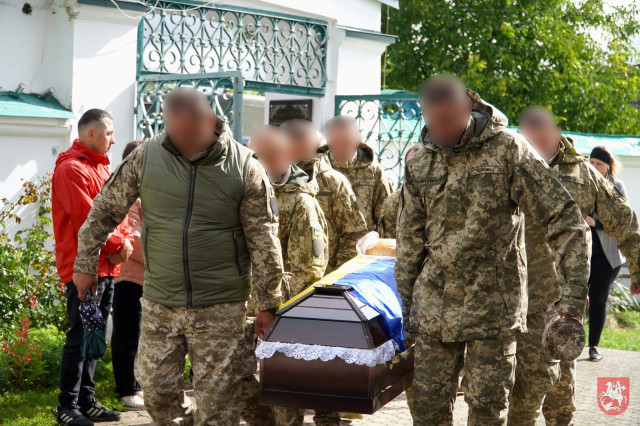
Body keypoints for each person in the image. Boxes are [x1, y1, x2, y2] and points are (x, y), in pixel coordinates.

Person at [72, 88, 285, 425]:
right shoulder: (147, 157)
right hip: (161, 300)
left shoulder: (245, 167)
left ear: (209, 120)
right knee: (157, 397)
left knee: (218, 409)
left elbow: (264, 240)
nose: (181, 140)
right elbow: (104, 210)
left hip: (220, 305)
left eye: (189, 132)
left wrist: (269, 303)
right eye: (174, 131)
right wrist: (85, 263)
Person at [396, 75, 591, 426]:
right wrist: (407, 313)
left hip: (493, 312)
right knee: (426, 412)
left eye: (447, 120)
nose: (439, 129)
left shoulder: (508, 149)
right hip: (434, 310)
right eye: (431, 120)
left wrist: (573, 297)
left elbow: (564, 217)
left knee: (487, 411)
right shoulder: (420, 163)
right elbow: (409, 242)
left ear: (466, 109)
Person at [514, 107, 640, 425]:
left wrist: (637, 267)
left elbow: (623, 220)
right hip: (516, 297)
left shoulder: (583, 173)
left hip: (564, 300)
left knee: (561, 391)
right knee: (526, 392)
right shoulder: (512, 165)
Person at [242, 125, 331, 426]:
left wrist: (266, 302)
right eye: (257, 157)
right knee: (234, 378)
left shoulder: (301, 203)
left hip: (284, 314)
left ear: (287, 157)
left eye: (271, 157)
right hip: (242, 310)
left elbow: (309, 271)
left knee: (284, 396)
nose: (262, 164)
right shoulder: (243, 193)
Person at [52, 109, 132, 426]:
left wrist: (122, 243)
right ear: (91, 133)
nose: (113, 140)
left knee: (94, 336)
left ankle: (86, 400)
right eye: (109, 133)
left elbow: (118, 215)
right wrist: (120, 245)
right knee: (80, 335)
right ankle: (66, 406)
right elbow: (87, 219)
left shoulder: (100, 168)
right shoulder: (71, 169)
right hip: (84, 270)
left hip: (106, 268)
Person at [286, 119, 368, 272]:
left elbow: (354, 236)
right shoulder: (269, 178)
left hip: (325, 277)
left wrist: (337, 275)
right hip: (280, 281)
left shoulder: (332, 181)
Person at [586, 146, 639, 360]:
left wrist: (596, 223)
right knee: (576, 299)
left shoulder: (617, 186)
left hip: (609, 255)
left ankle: (594, 347)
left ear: (608, 166)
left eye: (599, 164)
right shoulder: (581, 183)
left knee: (598, 299)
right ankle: (571, 345)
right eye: (591, 162)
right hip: (583, 252)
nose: (594, 166)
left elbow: (623, 221)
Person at [111, 140, 146, 411]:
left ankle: (137, 385)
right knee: (127, 335)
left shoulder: (143, 191)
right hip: (128, 276)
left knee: (139, 335)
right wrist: (163, 262)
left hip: (145, 277)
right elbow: (132, 238)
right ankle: (126, 389)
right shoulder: (126, 193)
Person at [320, 116, 393, 231]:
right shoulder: (316, 168)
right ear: (327, 139)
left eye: (345, 142)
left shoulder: (373, 171)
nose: (340, 147)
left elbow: (387, 217)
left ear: (358, 139)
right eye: (335, 142)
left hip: (361, 242)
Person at [377, 144, 422, 238]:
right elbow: (389, 243)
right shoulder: (393, 202)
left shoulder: (444, 197)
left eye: (421, 167)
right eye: (410, 166)